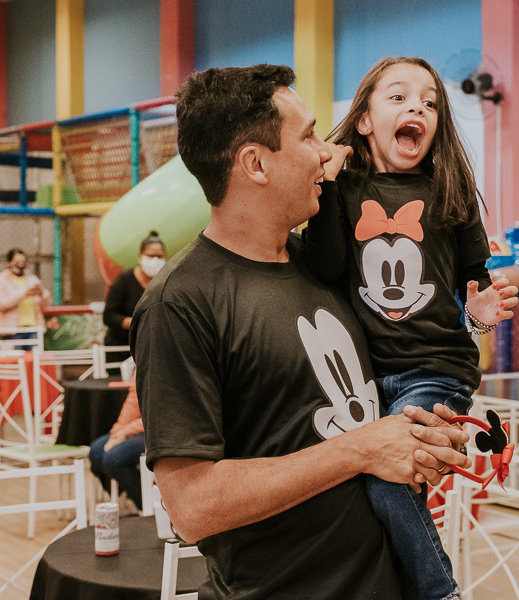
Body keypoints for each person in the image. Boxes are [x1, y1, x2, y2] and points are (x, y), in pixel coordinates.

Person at [131, 64, 471, 599]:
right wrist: (360, 449)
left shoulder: (327, 265)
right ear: (256, 163)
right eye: (309, 134)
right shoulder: (182, 302)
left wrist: (423, 436)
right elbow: (192, 507)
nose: (324, 150)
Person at [303, 56, 519, 599]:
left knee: (388, 481)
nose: (416, 107)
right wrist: (327, 188)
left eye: (428, 102)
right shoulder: (343, 191)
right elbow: (325, 267)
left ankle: (441, 593)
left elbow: (472, 284)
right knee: (352, 493)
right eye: (398, 97)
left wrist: (479, 315)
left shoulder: (451, 191)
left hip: (435, 371)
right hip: (365, 378)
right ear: (365, 121)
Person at [102, 231, 165, 370]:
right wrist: (135, 322)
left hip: (154, 349)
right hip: (120, 350)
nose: (155, 260)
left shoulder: (164, 282)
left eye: (159, 256)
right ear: (140, 256)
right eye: (150, 255)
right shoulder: (124, 280)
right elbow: (109, 316)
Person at [88, 376, 145, 510]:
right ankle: (126, 494)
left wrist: (125, 432)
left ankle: (147, 505)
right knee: (96, 451)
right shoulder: (141, 363)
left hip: (158, 431)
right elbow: (133, 402)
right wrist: (117, 432)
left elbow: (158, 415)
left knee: (113, 459)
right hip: (136, 429)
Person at [0, 248, 52, 349]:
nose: (20, 265)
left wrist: (42, 294)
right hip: (12, 330)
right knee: (17, 360)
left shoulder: (32, 279)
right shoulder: (0, 280)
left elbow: (47, 304)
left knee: (34, 361)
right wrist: (23, 294)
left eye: (23, 262)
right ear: (8, 263)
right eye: (17, 262)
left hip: (34, 328)